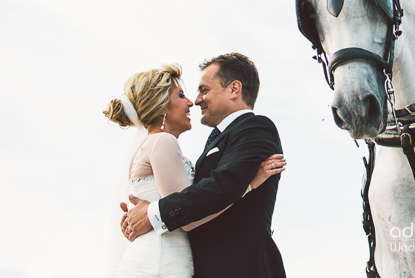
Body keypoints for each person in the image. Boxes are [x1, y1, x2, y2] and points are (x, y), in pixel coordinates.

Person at [105, 63, 285, 278]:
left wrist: (152, 213)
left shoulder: (254, 127)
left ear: (234, 89)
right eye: (182, 95)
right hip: (163, 261)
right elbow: (191, 215)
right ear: (161, 106)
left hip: (232, 265)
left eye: (204, 90)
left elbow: (220, 186)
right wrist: (248, 184)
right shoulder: (163, 141)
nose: (194, 101)